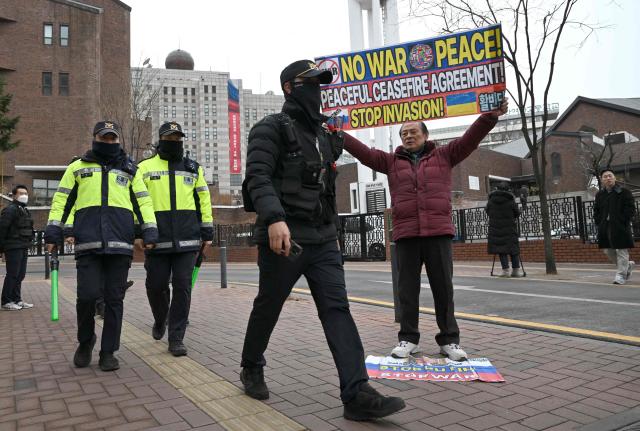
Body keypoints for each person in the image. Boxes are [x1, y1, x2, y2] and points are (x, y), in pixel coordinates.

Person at [240, 59, 405, 421]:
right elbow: (258, 177)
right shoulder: (269, 128)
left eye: (321, 83)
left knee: (337, 310)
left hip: (325, 239)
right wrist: (275, 218)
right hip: (286, 238)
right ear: (289, 87)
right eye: (310, 82)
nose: (318, 89)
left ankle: (356, 392)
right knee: (269, 305)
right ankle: (251, 365)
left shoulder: (327, 134)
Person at [343, 98, 509, 360]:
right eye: (404, 133)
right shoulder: (391, 162)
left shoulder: (445, 155)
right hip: (407, 235)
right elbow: (364, 153)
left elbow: (470, 139)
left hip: (438, 234)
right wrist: (338, 133)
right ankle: (408, 339)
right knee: (407, 291)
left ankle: (449, 341)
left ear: (425, 135)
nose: (409, 136)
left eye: (413, 132)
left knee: (443, 288)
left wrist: (490, 116)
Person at [44, 121, 158, 371]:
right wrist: (53, 231)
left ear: (118, 140)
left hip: (120, 244)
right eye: (104, 137)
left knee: (113, 300)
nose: (108, 142)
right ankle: (86, 342)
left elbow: (143, 202)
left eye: (112, 138)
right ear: (95, 137)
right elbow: (62, 199)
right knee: (86, 297)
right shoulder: (77, 168)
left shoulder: (130, 169)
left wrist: (149, 229)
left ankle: (109, 351)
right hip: (89, 244)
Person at [137, 121, 213, 356]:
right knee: (156, 286)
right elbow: (136, 201)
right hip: (156, 239)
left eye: (178, 138)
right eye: (169, 138)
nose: (174, 141)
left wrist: (207, 232)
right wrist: (138, 232)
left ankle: (176, 337)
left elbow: (204, 200)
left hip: (187, 239)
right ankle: (161, 319)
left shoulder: (193, 168)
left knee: (183, 287)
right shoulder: (144, 167)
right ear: (161, 140)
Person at [593, 169, 636, 284]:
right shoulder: (600, 195)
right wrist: (599, 222)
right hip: (605, 227)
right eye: (605, 176)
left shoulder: (624, 192)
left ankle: (621, 275)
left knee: (622, 250)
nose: (608, 178)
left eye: (610, 176)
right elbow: (596, 211)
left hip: (620, 226)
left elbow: (631, 209)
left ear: (614, 178)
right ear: (602, 180)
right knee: (608, 251)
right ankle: (627, 266)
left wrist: (622, 220)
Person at [0, 185, 34, 310]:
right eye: (21, 193)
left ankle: (16, 299)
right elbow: (2, 229)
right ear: (14, 195)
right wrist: (2, 248)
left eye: (26, 193)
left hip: (23, 246)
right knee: (13, 274)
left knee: (20, 274)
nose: (24, 195)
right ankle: (6, 301)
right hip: (13, 246)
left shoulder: (24, 210)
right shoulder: (10, 210)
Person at [486, 182, 523, 277]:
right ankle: (515, 271)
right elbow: (517, 213)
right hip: (510, 228)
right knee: (513, 249)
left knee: (501, 249)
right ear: (508, 190)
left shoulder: (491, 201)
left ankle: (505, 270)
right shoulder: (510, 200)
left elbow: (488, 211)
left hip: (496, 228)